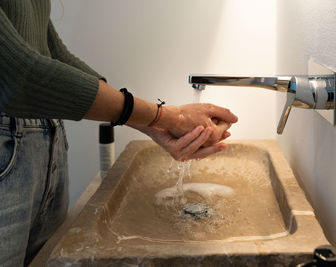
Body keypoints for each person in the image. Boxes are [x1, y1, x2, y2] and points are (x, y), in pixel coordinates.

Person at [0, 1, 238, 266]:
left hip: (46, 144)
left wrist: (153, 124)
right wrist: (170, 116)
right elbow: (18, 77)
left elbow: (53, 56)